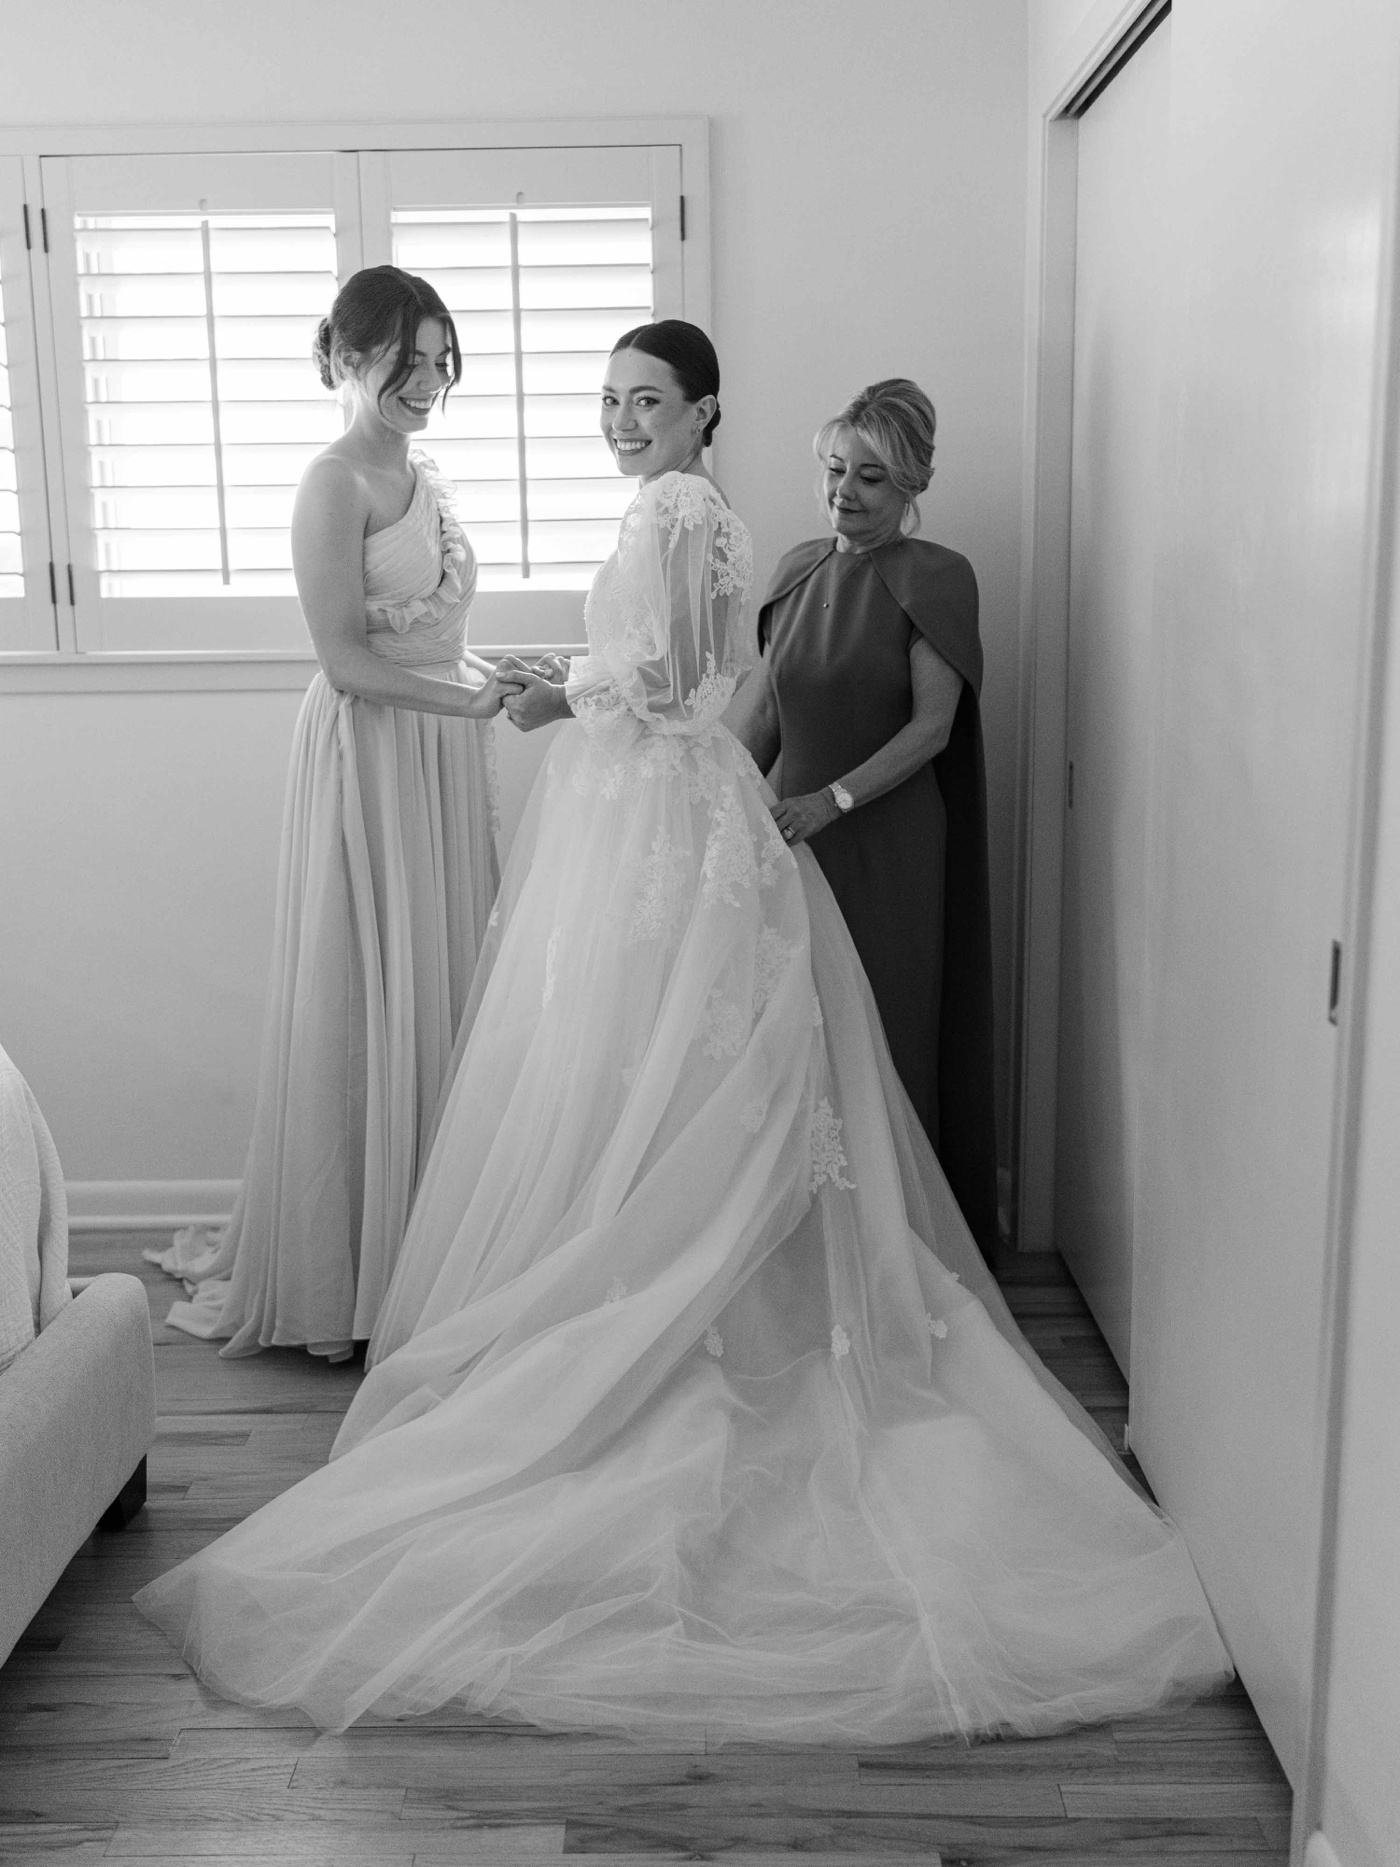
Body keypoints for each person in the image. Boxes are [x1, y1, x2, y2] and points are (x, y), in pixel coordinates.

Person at [135, 322, 1231, 1743]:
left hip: (664, 804)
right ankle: (661, 1269)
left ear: (704, 410)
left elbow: (671, 689)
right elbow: (724, 694)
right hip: (671, 808)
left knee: (668, 1065)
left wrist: (556, 696)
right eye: (609, 399)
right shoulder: (713, 521)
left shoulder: (688, 507)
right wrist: (585, 694)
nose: (620, 420)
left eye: (645, 400)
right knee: (664, 1066)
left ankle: (682, 1301)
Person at [146, 267, 517, 1360]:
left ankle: (430, 1247)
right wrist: (465, 698)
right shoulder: (332, 481)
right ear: (347, 359)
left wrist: (494, 676)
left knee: (441, 979)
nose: (427, 381)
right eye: (406, 361)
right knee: (366, 984)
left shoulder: (424, 473)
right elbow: (349, 662)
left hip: (439, 751)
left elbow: (431, 631)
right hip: (371, 752)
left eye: (441, 360)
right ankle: (345, 1273)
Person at [729, 380, 998, 1253]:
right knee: (790, 1038)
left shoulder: (938, 577)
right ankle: (800, 1243)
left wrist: (829, 800)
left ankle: (889, 1248)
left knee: (882, 1032)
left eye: (872, 479)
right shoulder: (800, 568)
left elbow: (932, 728)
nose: (845, 492)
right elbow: (760, 714)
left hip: (887, 845)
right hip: (790, 841)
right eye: (836, 470)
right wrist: (714, 799)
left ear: (913, 483)